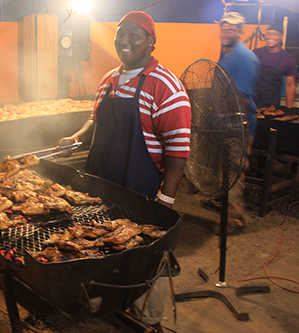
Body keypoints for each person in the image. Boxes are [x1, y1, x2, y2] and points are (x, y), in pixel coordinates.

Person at [56, 11, 191, 333]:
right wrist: (76, 138)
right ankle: (100, 300)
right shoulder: (109, 79)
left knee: (144, 254)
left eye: (134, 34)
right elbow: (96, 119)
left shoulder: (166, 87)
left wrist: (165, 199)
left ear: (150, 42)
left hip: (139, 188)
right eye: (120, 34)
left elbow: (178, 148)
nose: (125, 40)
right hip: (99, 183)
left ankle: (148, 317)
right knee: (97, 246)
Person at [202, 12, 260, 230]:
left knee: (233, 171)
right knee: (223, 168)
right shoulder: (227, 53)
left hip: (238, 126)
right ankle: (221, 201)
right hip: (225, 123)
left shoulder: (243, 57)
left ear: (240, 31)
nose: (226, 31)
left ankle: (234, 221)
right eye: (223, 27)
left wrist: (212, 114)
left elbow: (240, 98)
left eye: (231, 28)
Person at [253, 23, 297, 109]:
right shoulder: (256, 53)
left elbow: (290, 85)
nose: (271, 37)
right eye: (268, 34)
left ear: (281, 36)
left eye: (275, 34)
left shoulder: (288, 58)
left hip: (272, 103)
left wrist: (289, 109)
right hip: (253, 101)